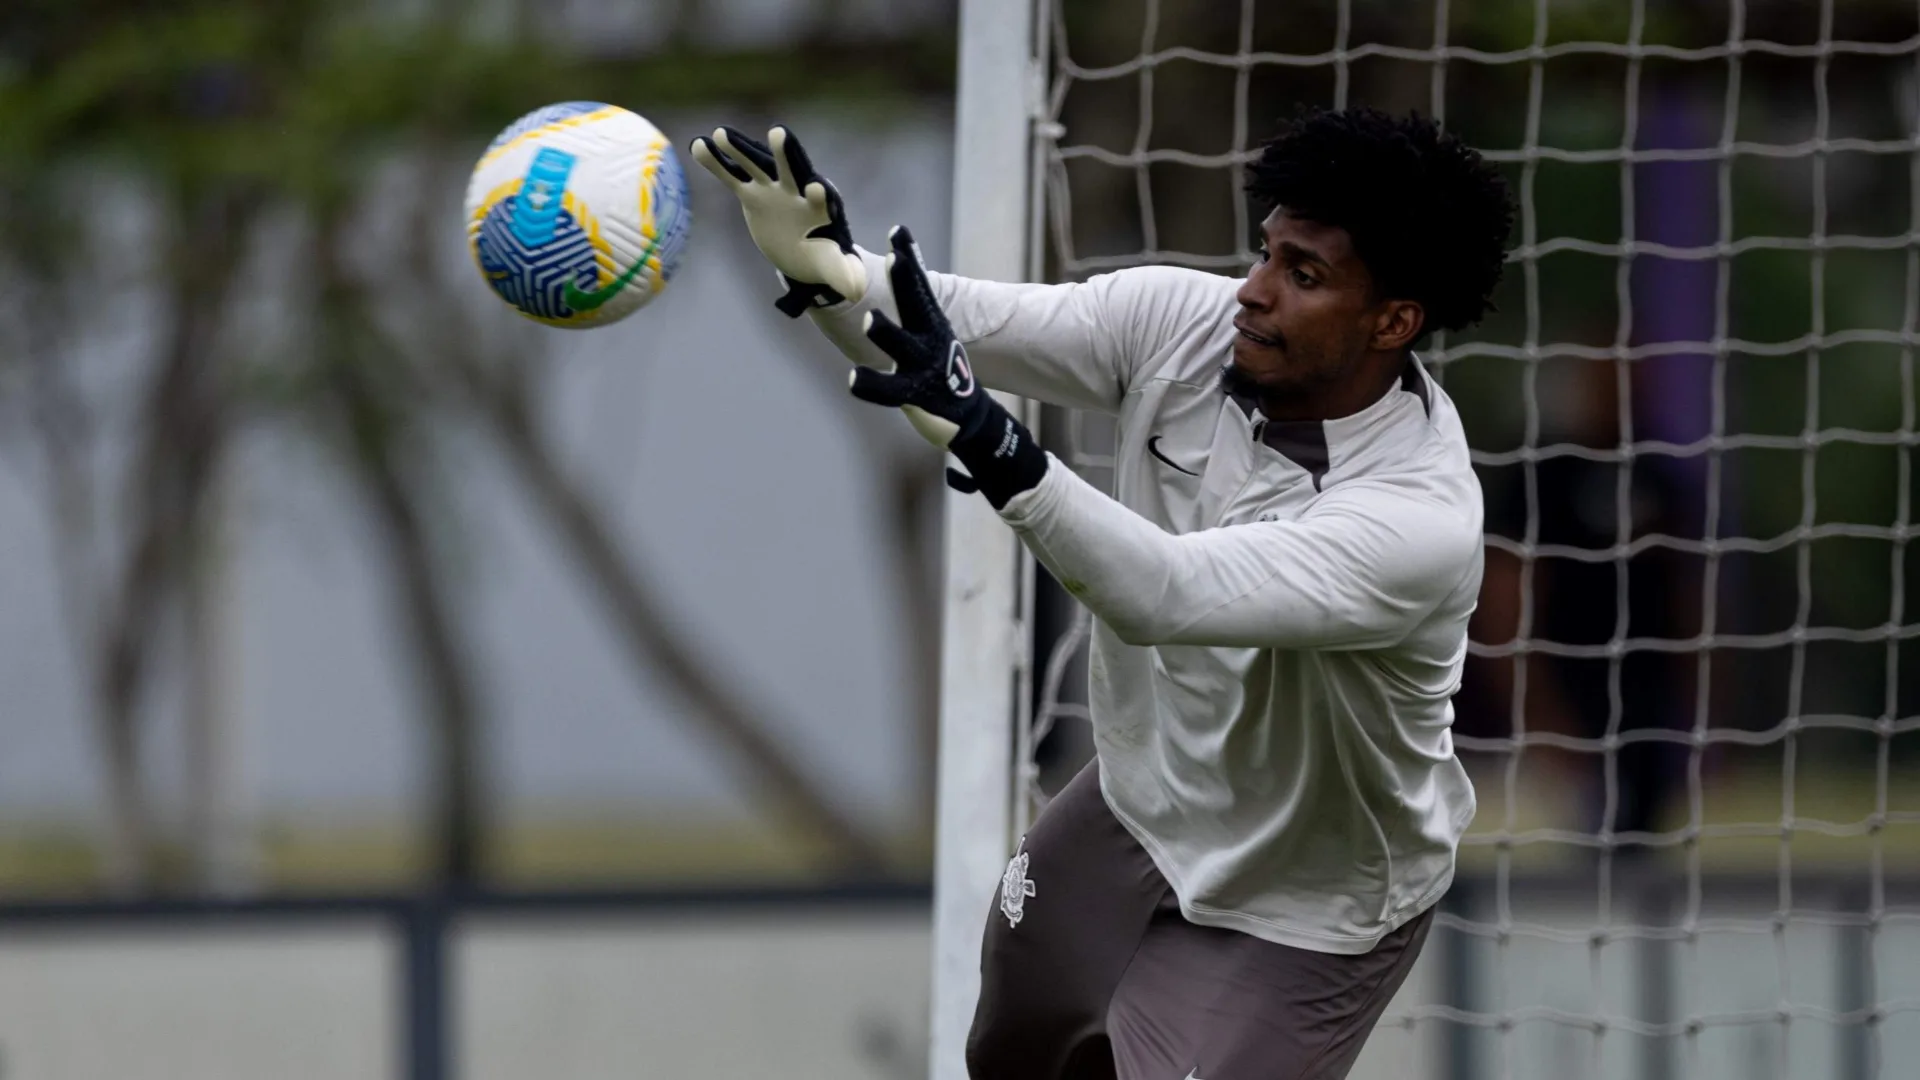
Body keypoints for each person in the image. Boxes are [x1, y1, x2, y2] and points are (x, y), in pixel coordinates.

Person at [692, 106, 1515, 1080]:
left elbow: (1164, 594)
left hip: (1307, 903)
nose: (1252, 293)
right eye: (1267, 253)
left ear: (1395, 322)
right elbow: (957, 325)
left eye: (1304, 276)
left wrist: (999, 450)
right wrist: (830, 275)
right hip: (1134, 808)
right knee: (1010, 1057)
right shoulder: (1180, 324)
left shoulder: (1415, 521)